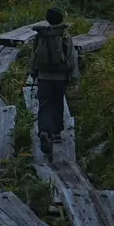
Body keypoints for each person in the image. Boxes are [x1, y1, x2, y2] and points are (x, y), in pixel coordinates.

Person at [31, 8, 80, 147]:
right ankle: (57, 133)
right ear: (61, 19)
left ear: (47, 19)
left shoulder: (40, 35)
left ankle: (45, 131)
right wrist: (74, 79)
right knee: (58, 103)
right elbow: (72, 57)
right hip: (60, 77)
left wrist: (32, 73)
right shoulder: (65, 36)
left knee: (45, 104)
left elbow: (34, 56)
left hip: (43, 76)